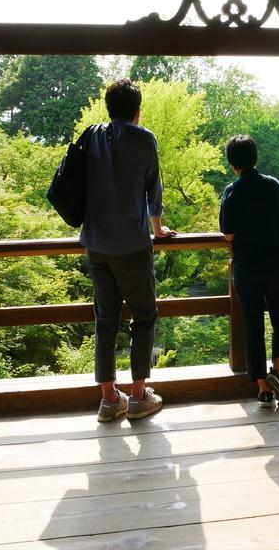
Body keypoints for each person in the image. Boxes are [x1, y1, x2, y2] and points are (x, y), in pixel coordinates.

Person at [82, 79, 175, 422]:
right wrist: (159, 230)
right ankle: (137, 396)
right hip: (132, 245)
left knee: (105, 319)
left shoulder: (92, 135)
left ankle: (109, 399)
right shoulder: (143, 138)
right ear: (137, 110)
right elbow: (154, 189)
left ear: (108, 107)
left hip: (96, 243)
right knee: (144, 315)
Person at [219, 135, 279, 408]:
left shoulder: (232, 191)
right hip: (275, 263)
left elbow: (228, 234)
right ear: (255, 158)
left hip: (247, 266)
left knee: (253, 324)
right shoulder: (273, 185)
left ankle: (264, 389)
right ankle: (277, 371)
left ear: (232, 163)